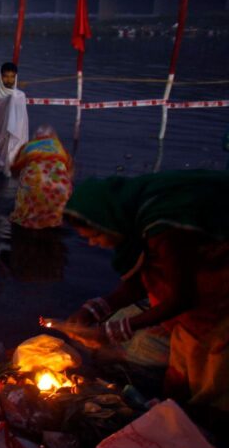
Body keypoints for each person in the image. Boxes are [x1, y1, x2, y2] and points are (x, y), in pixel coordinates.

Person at [62, 170, 229, 431]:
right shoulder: (137, 219)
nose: (93, 244)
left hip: (217, 301)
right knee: (183, 368)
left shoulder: (163, 229)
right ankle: (177, 419)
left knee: (210, 382)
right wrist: (94, 309)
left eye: (94, 236)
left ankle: (206, 441)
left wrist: (112, 331)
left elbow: (182, 296)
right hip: (193, 307)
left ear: (107, 221)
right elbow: (145, 279)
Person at [9, 125, 73, 229]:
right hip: (60, 187)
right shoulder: (59, 146)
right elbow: (70, 172)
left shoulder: (28, 146)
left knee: (25, 209)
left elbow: (14, 169)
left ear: (35, 137)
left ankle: (27, 220)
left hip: (35, 184)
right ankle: (54, 220)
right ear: (54, 137)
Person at [0, 62, 28, 176]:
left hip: (13, 141)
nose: (9, 80)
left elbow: (22, 123)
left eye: (12, 77)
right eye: (6, 76)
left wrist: (12, 100)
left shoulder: (19, 96)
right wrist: (7, 102)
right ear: (0, 77)